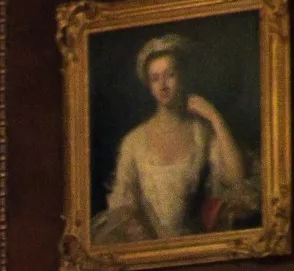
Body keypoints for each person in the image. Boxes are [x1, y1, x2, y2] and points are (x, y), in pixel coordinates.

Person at [91, 34, 259, 244]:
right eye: (155, 78)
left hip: (194, 246)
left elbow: (236, 179)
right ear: (149, 86)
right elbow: (124, 208)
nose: (163, 85)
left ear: (183, 77)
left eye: (170, 74)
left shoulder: (201, 132)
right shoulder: (134, 141)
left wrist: (214, 117)